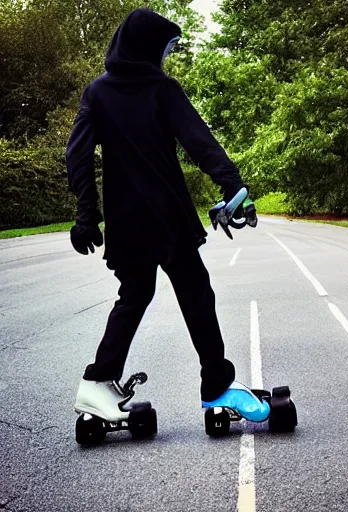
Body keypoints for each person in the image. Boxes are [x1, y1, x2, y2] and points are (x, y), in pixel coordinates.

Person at [67, 8, 269, 423]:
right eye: (167, 47)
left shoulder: (97, 92)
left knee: (135, 295)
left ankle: (97, 384)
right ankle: (216, 385)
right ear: (148, 47)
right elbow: (199, 140)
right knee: (196, 293)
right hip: (166, 215)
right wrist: (232, 185)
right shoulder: (162, 88)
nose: (167, 56)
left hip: (126, 221)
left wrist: (88, 216)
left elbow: (78, 155)